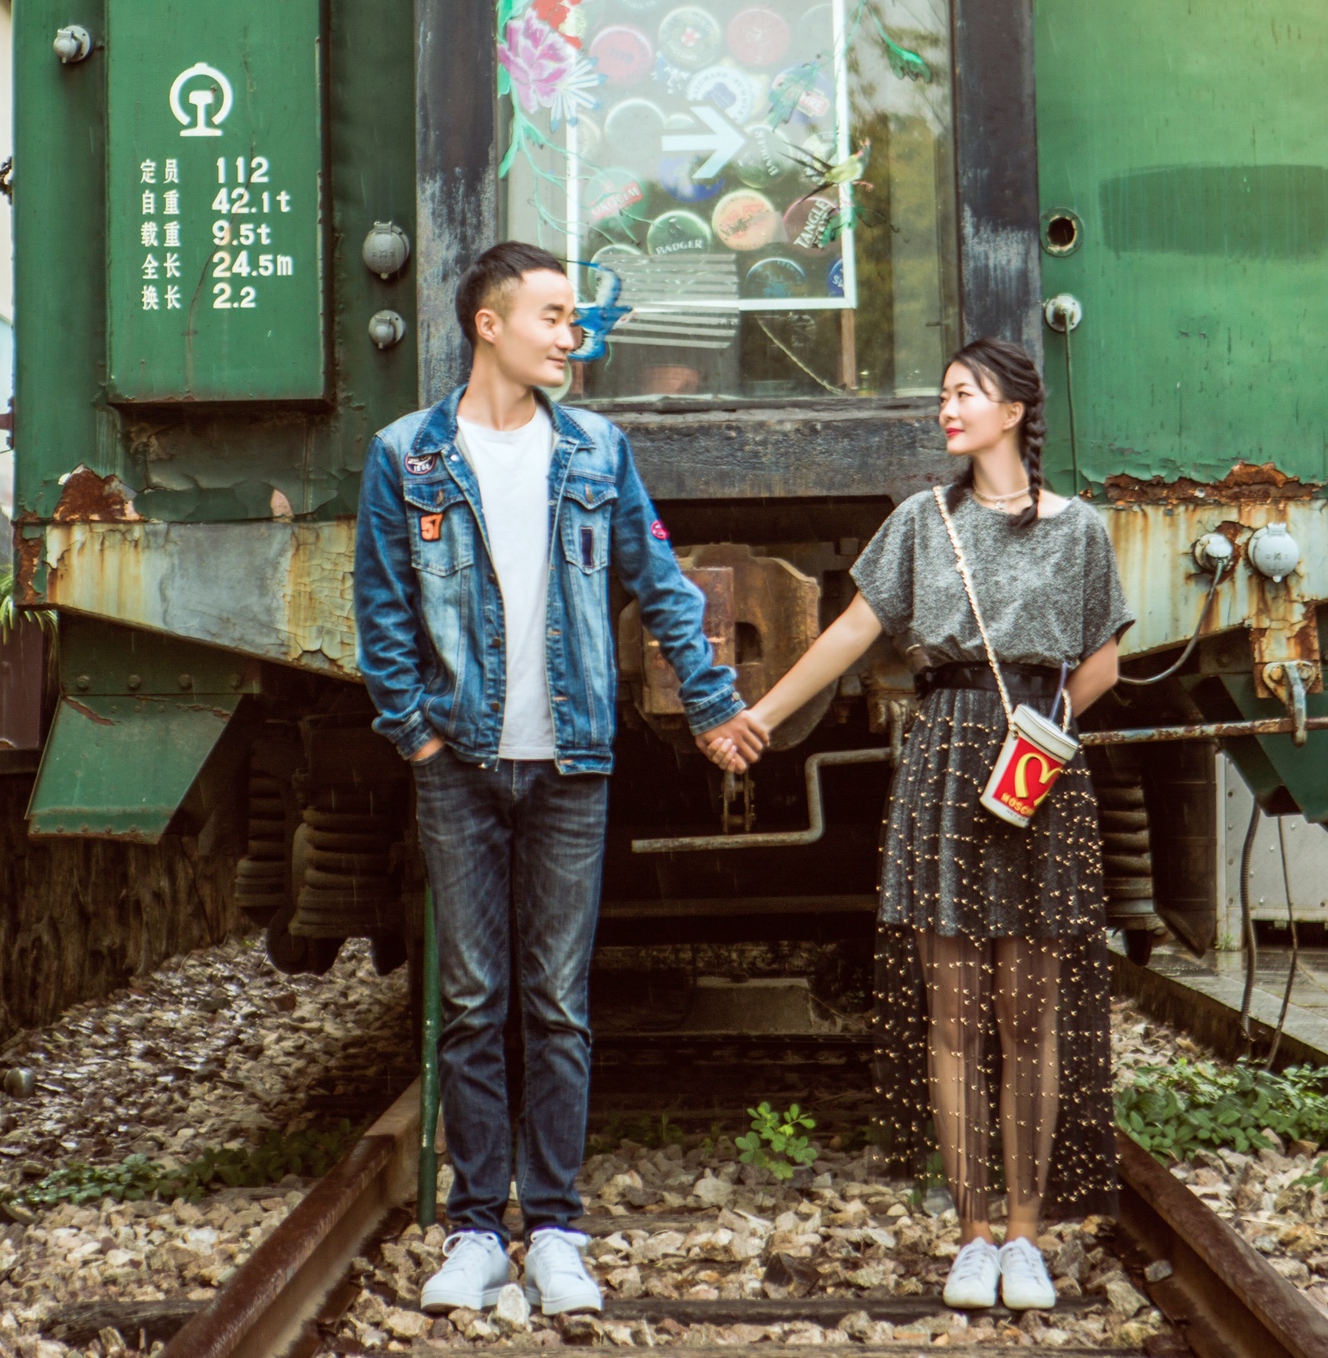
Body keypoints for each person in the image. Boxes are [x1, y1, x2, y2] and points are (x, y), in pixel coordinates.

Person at [353, 242, 764, 1317]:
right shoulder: (406, 456)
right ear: (487, 324)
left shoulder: (595, 449)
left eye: (573, 318)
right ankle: (475, 1232)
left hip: (573, 762)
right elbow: (381, 614)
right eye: (552, 316)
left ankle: (556, 1230)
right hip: (459, 765)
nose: (570, 336)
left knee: (557, 1005)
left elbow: (660, 584)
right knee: (471, 1002)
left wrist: (712, 705)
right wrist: (418, 738)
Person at [721, 338, 1131, 1315]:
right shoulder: (919, 522)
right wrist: (757, 718)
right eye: (944, 394)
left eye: (964, 394)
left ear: (1014, 411)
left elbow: (1102, 662)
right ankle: (972, 1236)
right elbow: (850, 634)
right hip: (944, 764)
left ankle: (1025, 1236)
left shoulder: (1078, 530)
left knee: (1027, 1018)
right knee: (953, 1019)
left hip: (1033, 772)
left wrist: (1038, 745)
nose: (947, 409)